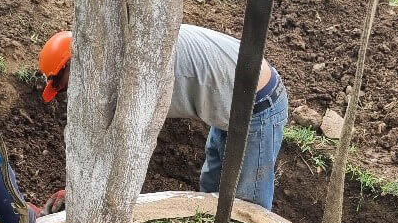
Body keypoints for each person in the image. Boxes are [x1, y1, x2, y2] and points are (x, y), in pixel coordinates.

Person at [38, 25, 289, 210]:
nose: (71, 94)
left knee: (249, 205)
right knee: (212, 186)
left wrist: (82, 194)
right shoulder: (119, 45)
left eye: (66, 86)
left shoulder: (135, 73)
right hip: (228, 98)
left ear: (78, 64)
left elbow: (126, 146)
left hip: (258, 104)